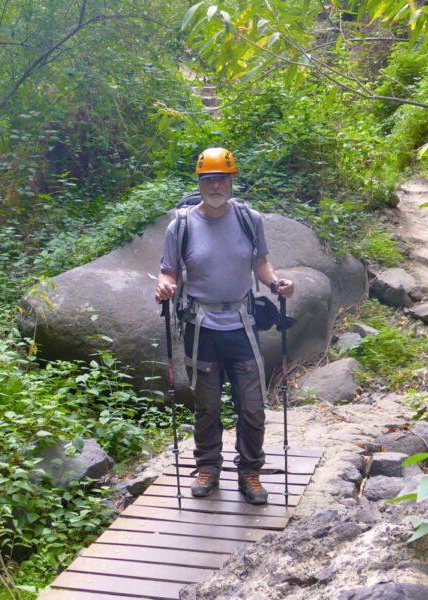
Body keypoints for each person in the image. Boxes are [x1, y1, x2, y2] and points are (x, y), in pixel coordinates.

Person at [154, 147, 294, 505]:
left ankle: (250, 472)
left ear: (232, 181)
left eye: (222, 178)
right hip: (200, 328)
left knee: (252, 406)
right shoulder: (181, 226)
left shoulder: (250, 219)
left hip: (242, 325)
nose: (215, 185)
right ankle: (208, 468)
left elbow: (261, 263)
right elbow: (169, 270)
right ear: (199, 183)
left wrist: (276, 283)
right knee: (207, 405)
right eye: (208, 179)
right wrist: (165, 285)